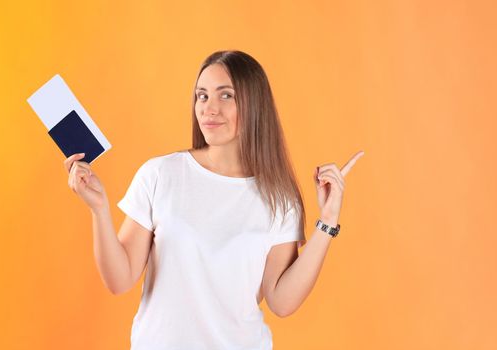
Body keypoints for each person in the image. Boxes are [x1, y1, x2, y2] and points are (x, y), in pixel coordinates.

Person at [63, 50, 364, 350]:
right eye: (202, 96)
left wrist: (327, 223)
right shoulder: (160, 175)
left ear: (254, 104)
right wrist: (99, 209)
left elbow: (282, 302)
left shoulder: (280, 198)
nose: (209, 108)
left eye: (226, 96)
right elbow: (120, 279)